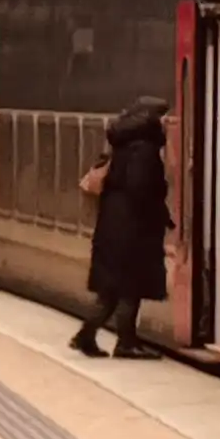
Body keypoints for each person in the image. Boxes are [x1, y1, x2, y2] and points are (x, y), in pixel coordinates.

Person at [74, 100, 169, 358]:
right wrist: (159, 213)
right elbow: (141, 191)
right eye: (163, 118)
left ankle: (86, 335)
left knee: (111, 291)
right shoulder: (145, 151)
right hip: (133, 230)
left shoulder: (122, 147)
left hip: (113, 226)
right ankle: (125, 342)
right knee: (130, 288)